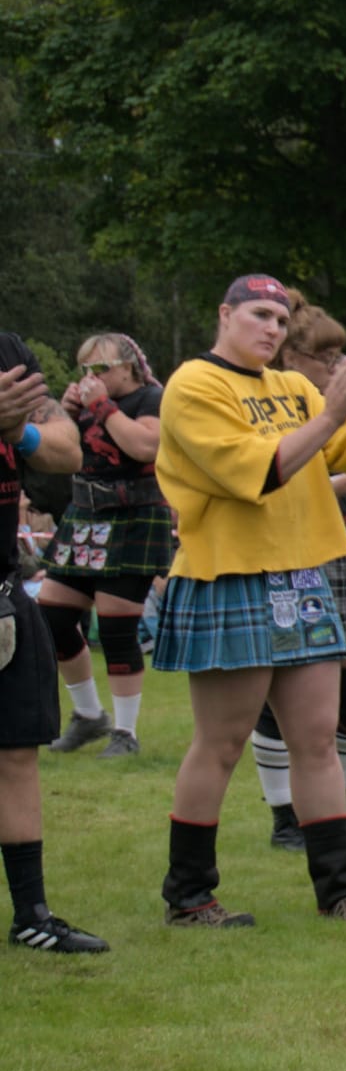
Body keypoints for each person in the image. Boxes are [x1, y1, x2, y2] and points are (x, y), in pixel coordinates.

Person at [152, 275, 346, 927]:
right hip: (230, 572)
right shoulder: (194, 385)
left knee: (317, 740)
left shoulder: (292, 387)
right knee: (223, 741)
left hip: (303, 573)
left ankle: (341, 890)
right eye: (258, 314)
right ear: (225, 314)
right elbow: (258, 471)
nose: (272, 327)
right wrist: (326, 418)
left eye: (279, 317)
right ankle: (188, 895)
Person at [247, 301, 346, 849]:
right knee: (278, 687)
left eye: (342, 355)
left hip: (333, 546)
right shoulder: (263, 401)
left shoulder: (321, 404)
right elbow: (278, 474)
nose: (336, 365)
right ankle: (284, 816)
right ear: (290, 355)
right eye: (325, 356)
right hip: (278, 551)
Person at [2, 336, 109, 952]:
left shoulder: (7, 353)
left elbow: (67, 451)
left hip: (4, 591)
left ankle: (32, 916)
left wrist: (20, 434)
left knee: (16, 754)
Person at [38, 332, 173, 759]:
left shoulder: (152, 397)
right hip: (86, 518)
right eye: (86, 371)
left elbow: (145, 445)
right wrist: (64, 411)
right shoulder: (88, 405)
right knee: (52, 616)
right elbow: (58, 451)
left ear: (128, 367)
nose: (91, 378)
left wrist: (101, 407)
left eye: (101, 369)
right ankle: (88, 715)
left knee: (117, 629)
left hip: (134, 517)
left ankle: (125, 732)